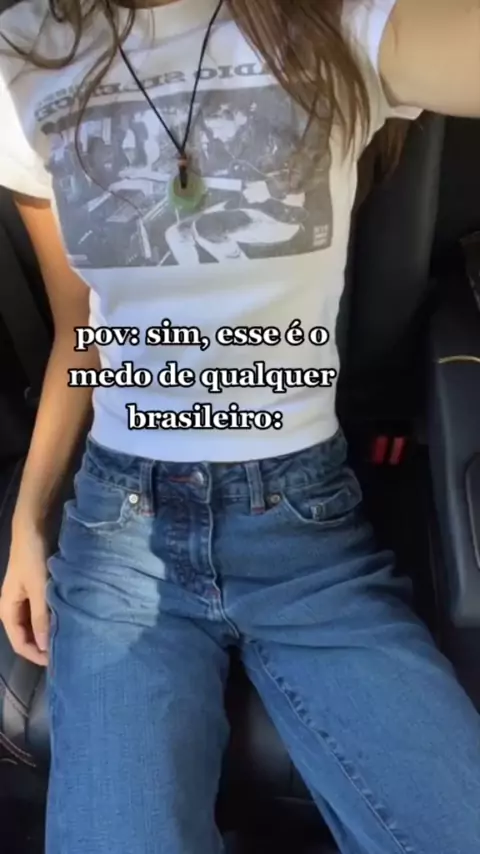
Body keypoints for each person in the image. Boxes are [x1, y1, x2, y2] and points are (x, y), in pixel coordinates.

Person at [0, 0, 479, 852]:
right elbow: (82, 334)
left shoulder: (335, 23)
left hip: (302, 531)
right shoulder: (23, 52)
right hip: (119, 536)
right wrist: (28, 523)